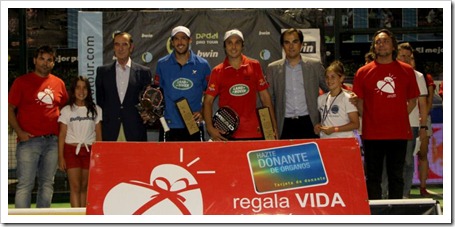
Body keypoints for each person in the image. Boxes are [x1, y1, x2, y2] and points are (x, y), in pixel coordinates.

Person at [352, 29, 419, 200]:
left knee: (396, 176)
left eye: (385, 41)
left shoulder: (406, 70)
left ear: (393, 45)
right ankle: (375, 213)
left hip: (398, 133)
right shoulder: (362, 72)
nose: (381, 44)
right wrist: (370, 116)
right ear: (374, 47)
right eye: (378, 42)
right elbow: (359, 101)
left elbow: (412, 100)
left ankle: (396, 213)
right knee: (373, 177)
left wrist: (397, 115)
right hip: (372, 134)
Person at [8, 45, 68, 208]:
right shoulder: (21, 82)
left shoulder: (59, 83)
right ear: (35, 60)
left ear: (54, 63)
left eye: (49, 60)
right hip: (29, 142)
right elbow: (9, 108)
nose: (45, 63)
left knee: (47, 185)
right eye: (42, 59)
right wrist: (20, 132)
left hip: (52, 142)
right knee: (25, 186)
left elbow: (65, 111)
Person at [203, 29, 278, 141]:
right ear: (224, 46)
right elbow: (208, 101)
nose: (233, 47)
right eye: (230, 43)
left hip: (254, 131)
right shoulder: (217, 71)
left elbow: (265, 98)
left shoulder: (254, 65)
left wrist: (273, 125)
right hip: (227, 134)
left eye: (237, 42)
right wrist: (210, 128)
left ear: (242, 45)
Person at [381, 43, 428, 199]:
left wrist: (423, 126)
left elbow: (422, 103)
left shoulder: (418, 77)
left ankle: (405, 194)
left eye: (409, 57)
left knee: (407, 162)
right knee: (387, 161)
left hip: (411, 124)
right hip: (389, 124)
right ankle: (384, 194)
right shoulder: (388, 73)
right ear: (396, 55)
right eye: (402, 56)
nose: (406, 59)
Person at [266, 28, 329, 139]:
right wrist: (270, 126)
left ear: (301, 44)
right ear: (282, 45)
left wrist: (346, 95)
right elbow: (268, 99)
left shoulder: (314, 65)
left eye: (295, 42)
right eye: (287, 42)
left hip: (310, 122)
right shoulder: (273, 68)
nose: (291, 46)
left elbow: (330, 90)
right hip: (284, 124)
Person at [154, 26, 211, 141]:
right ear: (172, 42)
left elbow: (210, 94)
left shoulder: (203, 65)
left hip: (194, 125)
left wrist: (202, 113)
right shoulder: (162, 64)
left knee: (195, 159)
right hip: (168, 125)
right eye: (176, 39)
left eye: (183, 38)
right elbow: (157, 94)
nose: (180, 42)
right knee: (167, 159)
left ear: (190, 40)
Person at [96, 31, 152, 141]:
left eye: (124, 44)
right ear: (113, 48)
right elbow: (100, 102)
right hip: (110, 130)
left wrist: (147, 114)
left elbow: (147, 102)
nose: (120, 48)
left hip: (135, 130)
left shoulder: (144, 72)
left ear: (131, 47)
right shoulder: (102, 72)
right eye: (117, 44)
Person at [58, 76, 102, 207]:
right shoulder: (66, 110)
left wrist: (98, 156)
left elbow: (99, 135)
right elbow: (61, 135)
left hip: (90, 151)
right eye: (78, 87)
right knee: (75, 187)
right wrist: (61, 157)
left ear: (88, 91)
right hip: (71, 151)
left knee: (85, 187)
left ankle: (85, 219)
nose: (81, 91)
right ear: (73, 90)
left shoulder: (96, 109)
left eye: (84, 88)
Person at [314, 60, 359, 139]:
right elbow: (326, 119)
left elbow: (355, 124)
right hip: (325, 140)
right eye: (327, 77)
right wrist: (319, 126)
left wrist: (335, 129)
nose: (329, 80)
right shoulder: (321, 99)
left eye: (333, 77)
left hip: (343, 141)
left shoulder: (348, 98)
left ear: (341, 78)